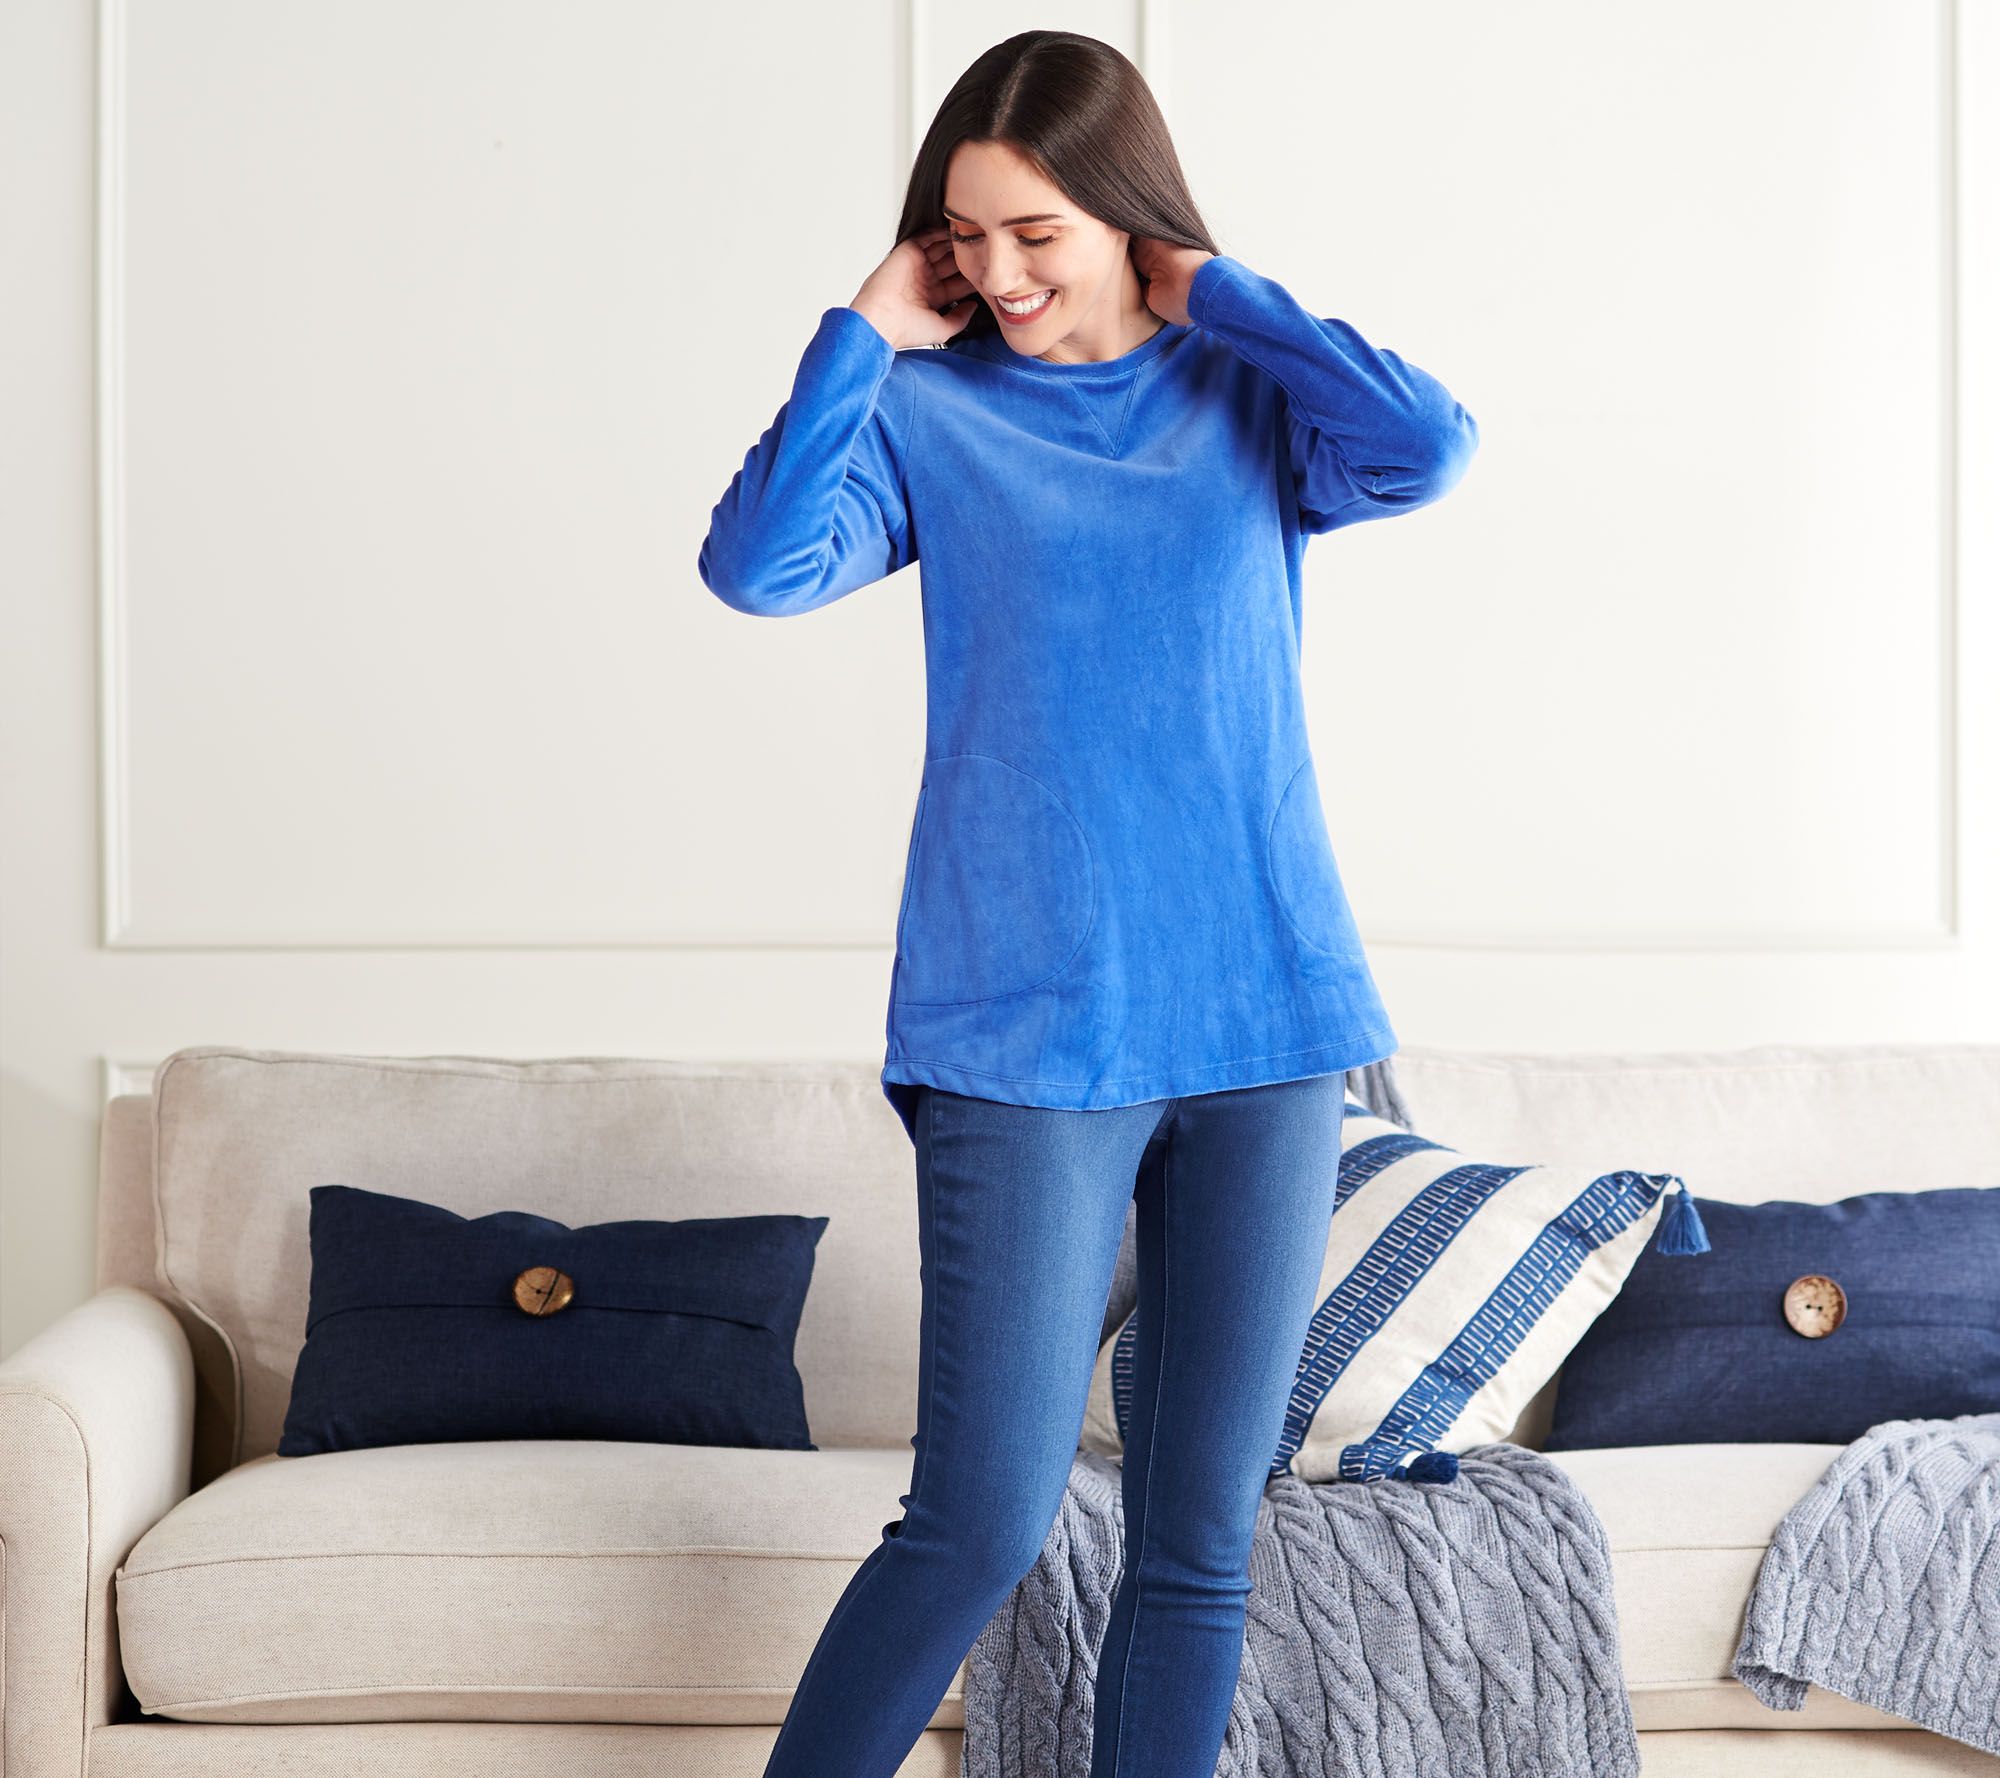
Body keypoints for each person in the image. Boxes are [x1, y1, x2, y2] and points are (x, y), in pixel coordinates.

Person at [698, 28, 1478, 1778]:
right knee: (978, 1521)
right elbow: (756, 566)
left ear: (1131, 217)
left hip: (1270, 1018)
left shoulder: (1249, 398)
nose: (997, 273)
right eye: (963, 236)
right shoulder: (935, 413)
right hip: (1019, 1028)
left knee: (1202, 1536)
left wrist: (1222, 293)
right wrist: (863, 332)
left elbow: (1428, 445)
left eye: (1035, 232)